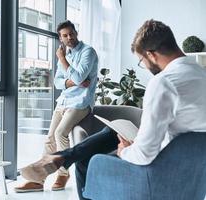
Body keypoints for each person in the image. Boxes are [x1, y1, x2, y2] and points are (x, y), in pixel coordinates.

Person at [19, 19, 206, 199]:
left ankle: (62, 159)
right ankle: (61, 157)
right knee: (112, 132)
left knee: (87, 158)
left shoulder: (165, 82)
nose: (145, 66)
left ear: (151, 54)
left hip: (155, 175)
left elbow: (144, 155)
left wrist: (125, 151)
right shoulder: (201, 75)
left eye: (142, 61)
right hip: (187, 174)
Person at [15, 20, 98, 193]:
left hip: (81, 102)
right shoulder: (66, 54)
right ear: (61, 38)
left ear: (76, 32)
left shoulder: (87, 52)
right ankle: (38, 180)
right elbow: (58, 82)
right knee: (50, 138)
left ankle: (63, 173)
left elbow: (79, 77)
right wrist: (73, 81)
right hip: (64, 101)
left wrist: (62, 59)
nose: (70, 38)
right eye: (65, 35)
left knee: (61, 133)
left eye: (71, 33)